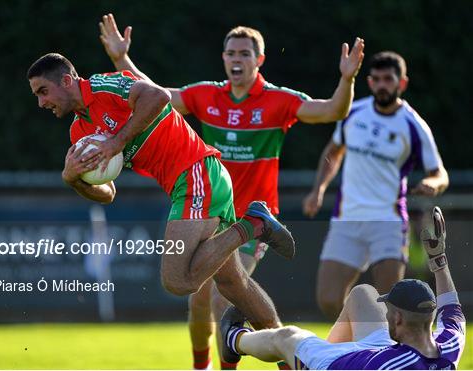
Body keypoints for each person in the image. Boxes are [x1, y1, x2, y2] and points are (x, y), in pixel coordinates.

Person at [98, 13, 364, 369]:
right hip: (212, 215)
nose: (236, 59)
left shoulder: (278, 100)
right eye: (230, 53)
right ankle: (210, 364)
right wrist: (121, 58)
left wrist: (347, 80)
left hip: (256, 215)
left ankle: (264, 359)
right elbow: (158, 96)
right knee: (197, 303)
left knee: (225, 299)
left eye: (243, 53)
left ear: (259, 60)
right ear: (223, 58)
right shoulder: (207, 95)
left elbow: (333, 110)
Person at [27, 53, 295, 338]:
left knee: (178, 281)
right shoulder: (80, 133)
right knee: (234, 285)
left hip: (196, 173)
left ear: (67, 81)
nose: (41, 102)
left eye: (43, 91)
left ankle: (254, 224)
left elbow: (158, 95)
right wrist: (73, 180)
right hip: (192, 183)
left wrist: (117, 142)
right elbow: (108, 194)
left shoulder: (104, 87)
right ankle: (288, 354)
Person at [221, 206, 466, 370]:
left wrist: (308, 353)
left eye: (390, 309)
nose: (387, 314)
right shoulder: (448, 345)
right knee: (363, 294)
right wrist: (438, 261)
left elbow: (339, 362)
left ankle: (233, 339)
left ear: (399, 318)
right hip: (393, 350)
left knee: (286, 337)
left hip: (346, 365)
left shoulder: (380, 364)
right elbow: (453, 311)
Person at [302, 51, 449, 319]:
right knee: (328, 299)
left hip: (388, 221)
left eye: (388, 79)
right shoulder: (354, 112)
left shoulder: (413, 125)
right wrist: (318, 189)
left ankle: (388, 354)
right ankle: (359, 339)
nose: (382, 84)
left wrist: (432, 183)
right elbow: (333, 153)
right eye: (377, 79)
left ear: (401, 83)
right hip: (347, 218)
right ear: (369, 82)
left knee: (393, 305)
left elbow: (440, 173)